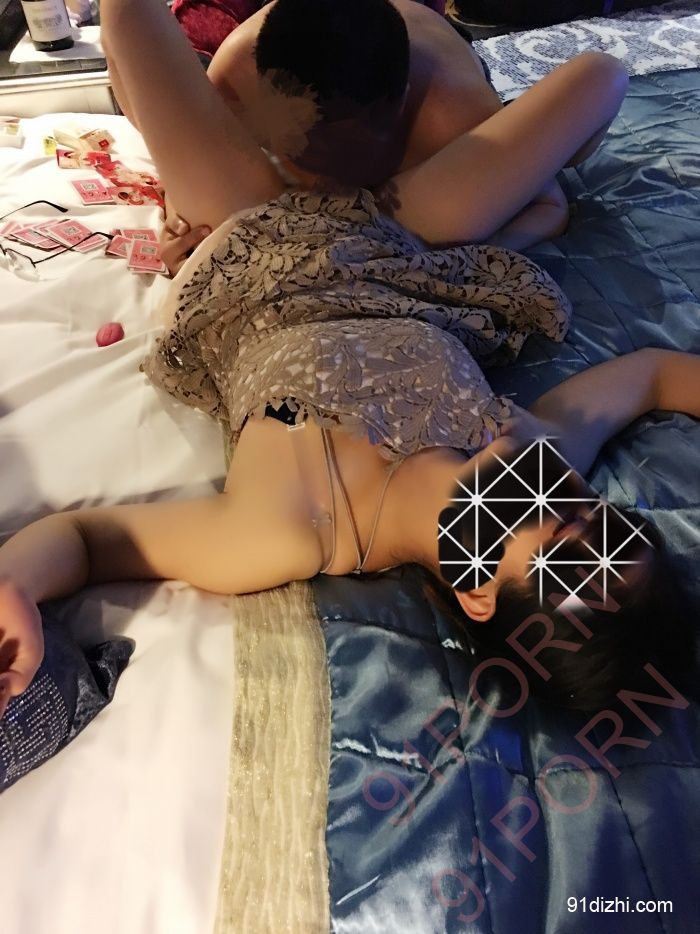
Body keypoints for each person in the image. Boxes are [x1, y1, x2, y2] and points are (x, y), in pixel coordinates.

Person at [1, 0, 689, 719]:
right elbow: (653, 374)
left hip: (245, 239)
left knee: (127, 15)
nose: (579, 518)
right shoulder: (536, 449)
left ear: (479, 592)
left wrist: (14, 584)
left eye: (570, 563)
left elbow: (85, 541)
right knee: (603, 73)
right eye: (613, 530)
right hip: (398, 237)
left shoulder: (281, 534)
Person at [156, 0, 621, 273]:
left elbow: (550, 207)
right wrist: (182, 225)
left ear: (398, 108)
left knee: (593, 100)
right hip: (334, 37)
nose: (323, 184)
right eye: (298, 154)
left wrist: (461, 263)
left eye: (344, 153)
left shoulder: (454, 116)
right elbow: (191, 171)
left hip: (431, 50)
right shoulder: (236, 78)